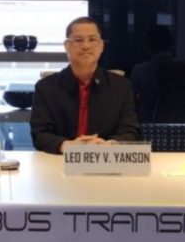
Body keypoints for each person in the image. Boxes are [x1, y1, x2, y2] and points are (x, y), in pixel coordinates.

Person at [30, 17, 140, 154]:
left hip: (106, 161)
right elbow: (40, 134)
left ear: (101, 46)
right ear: (66, 46)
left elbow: (130, 131)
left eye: (92, 39)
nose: (86, 46)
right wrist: (66, 146)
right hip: (60, 162)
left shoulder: (121, 86)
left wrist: (110, 145)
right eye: (78, 40)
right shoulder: (45, 87)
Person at [130, 25, 174, 121]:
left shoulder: (141, 70)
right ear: (170, 44)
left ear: (148, 45)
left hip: (147, 125)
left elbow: (130, 103)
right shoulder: (184, 70)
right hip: (179, 123)